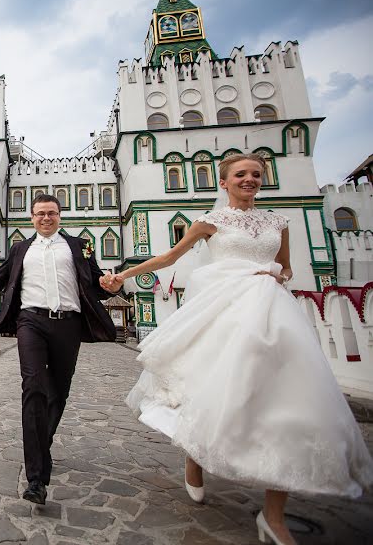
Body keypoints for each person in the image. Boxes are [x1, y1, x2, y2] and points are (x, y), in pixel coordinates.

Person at [100, 154, 373, 545]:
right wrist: (123, 275)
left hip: (273, 312)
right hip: (225, 313)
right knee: (212, 386)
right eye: (240, 175)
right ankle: (195, 455)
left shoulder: (278, 222)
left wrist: (278, 273)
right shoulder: (211, 222)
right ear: (224, 182)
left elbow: (287, 267)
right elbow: (171, 256)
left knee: (286, 398)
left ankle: (274, 516)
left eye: (256, 175)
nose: (249, 180)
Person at [0, 193, 116, 505]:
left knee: (59, 392)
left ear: (60, 215)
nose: (46, 218)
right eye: (40, 213)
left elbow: (96, 283)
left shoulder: (78, 246)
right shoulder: (20, 249)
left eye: (52, 213)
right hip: (30, 321)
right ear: (31, 217)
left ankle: (42, 442)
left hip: (68, 324)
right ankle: (36, 479)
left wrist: (113, 284)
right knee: (33, 388)